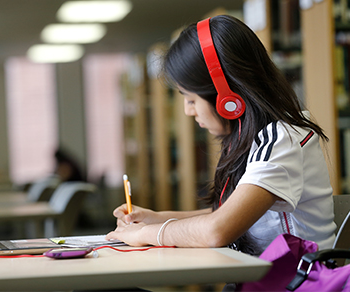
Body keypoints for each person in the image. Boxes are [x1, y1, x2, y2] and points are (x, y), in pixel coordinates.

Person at [106, 15, 336, 256]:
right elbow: (230, 213)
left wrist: (145, 234)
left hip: (297, 282)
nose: (188, 110)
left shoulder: (283, 139)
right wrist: (158, 219)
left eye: (191, 99)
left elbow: (217, 229)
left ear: (227, 98)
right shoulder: (252, 140)